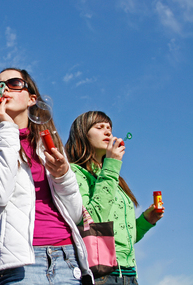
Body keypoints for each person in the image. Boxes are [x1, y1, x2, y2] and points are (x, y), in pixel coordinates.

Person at [0, 68, 94, 285]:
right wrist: (6, 127)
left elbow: (74, 213)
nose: (4, 90)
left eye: (14, 83)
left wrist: (63, 176)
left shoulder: (49, 144)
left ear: (32, 99)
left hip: (67, 258)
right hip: (20, 265)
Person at [65, 111, 164, 285]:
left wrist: (146, 221)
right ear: (82, 134)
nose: (108, 132)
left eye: (109, 128)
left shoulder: (113, 178)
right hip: (101, 274)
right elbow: (92, 221)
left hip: (129, 274)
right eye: (99, 127)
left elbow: (122, 238)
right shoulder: (75, 172)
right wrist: (111, 165)